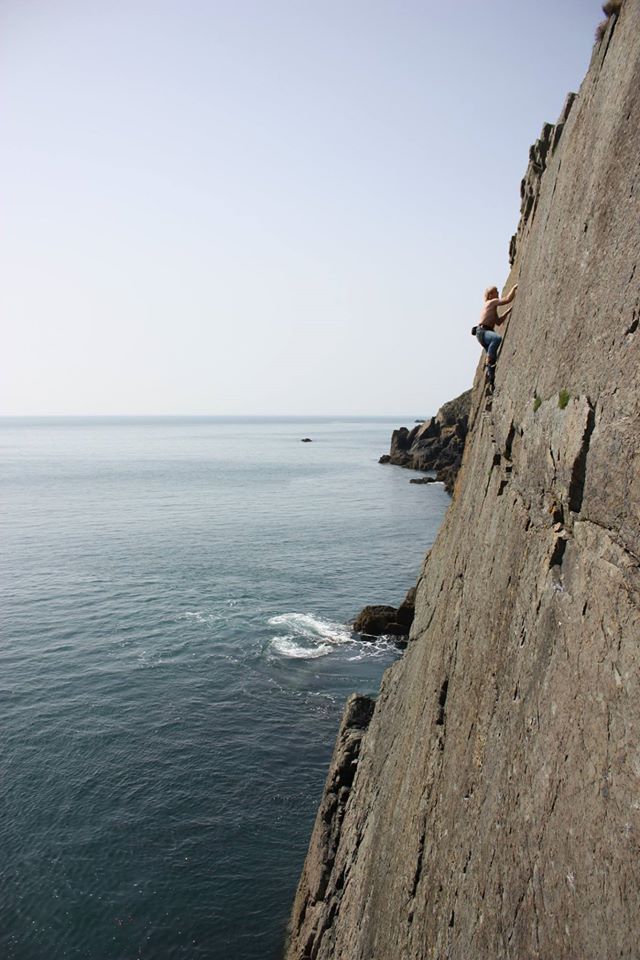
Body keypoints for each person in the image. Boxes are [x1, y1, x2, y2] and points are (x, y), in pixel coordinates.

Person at [475, 283, 518, 384]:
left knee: (492, 360)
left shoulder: (492, 309)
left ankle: (491, 381)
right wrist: (514, 287)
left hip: (483, 333)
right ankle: (489, 360)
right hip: (483, 331)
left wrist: (508, 311)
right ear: (490, 295)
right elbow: (507, 299)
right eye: (496, 292)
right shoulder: (491, 302)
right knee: (496, 339)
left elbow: (498, 322)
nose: (498, 293)